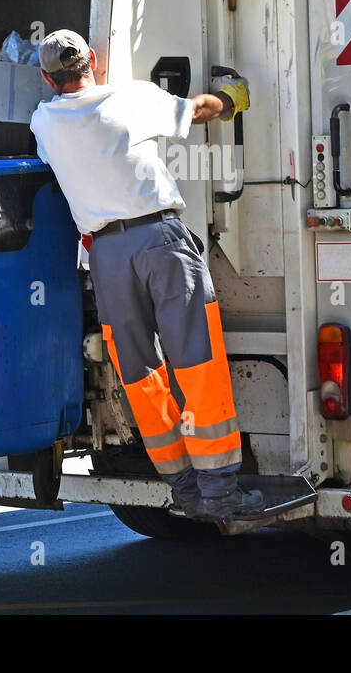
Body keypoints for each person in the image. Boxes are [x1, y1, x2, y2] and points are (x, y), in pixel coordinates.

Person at [29, 29, 265, 522]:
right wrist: (232, 98)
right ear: (93, 59)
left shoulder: (43, 123)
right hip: (159, 241)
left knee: (139, 372)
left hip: (107, 256)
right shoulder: (129, 96)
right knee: (196, 361)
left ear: (47, 78)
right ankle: (219, 488)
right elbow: (194, 111)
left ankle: (182, 487)